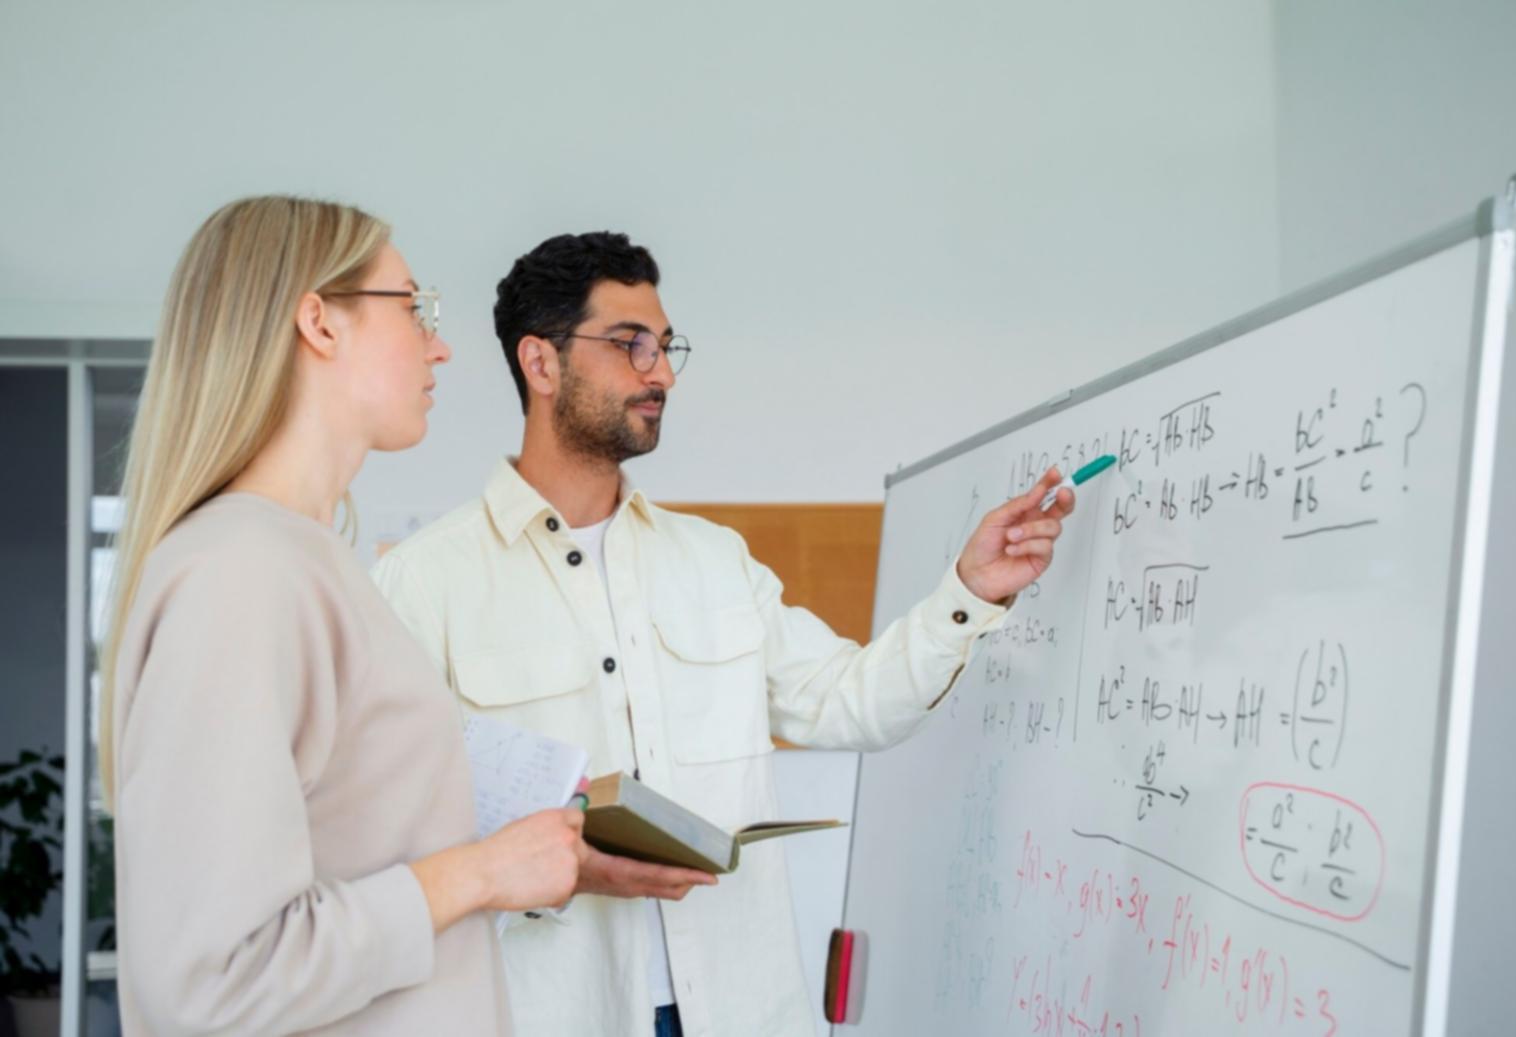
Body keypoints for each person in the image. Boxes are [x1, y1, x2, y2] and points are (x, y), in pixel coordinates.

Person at [372, 231, 1074, 1036]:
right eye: (630, 344)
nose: (660, 371)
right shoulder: (423, 583)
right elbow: (395, 834)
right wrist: (557, 869)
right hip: (551, 1012)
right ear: (540, 363)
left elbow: (854, 704)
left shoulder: (714, 560)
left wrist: (969, 591)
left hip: (740, 1007)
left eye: (666, 347)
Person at [98, 196, 587, 1036]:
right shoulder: (240, 572)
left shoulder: (304, 561)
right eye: (414, 306)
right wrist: (481, 872)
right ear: (318, 323)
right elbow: (218, 981)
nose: (439, 343)